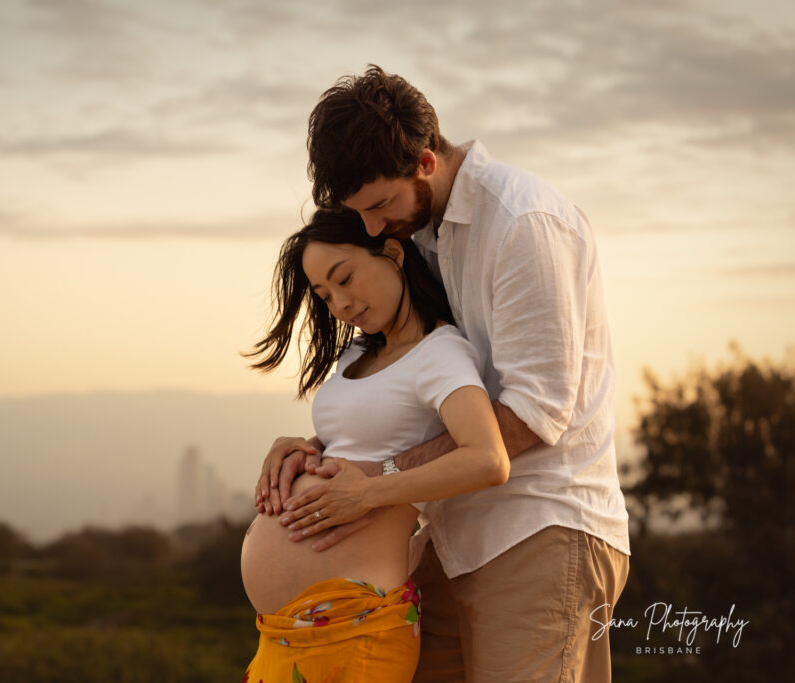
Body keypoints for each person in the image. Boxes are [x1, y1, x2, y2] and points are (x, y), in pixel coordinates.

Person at [257, 65, 631, 682]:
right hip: (449, 538)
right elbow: (410, 386)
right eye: (361, 214)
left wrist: (375, 478)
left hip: (540, 529)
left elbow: (535, 415)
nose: (373, 227)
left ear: (426, 160)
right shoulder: (419, 233)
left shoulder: (523, 224)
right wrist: (314, 451)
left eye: (380, 205)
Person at [240, 208, 509, 682]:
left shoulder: (439, 353)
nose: (340, 304)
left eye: (345, 279)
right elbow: (355, 441)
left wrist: (368, 493)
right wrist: (300, 447)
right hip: (280, 633)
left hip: (357, 630)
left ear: (390, 252)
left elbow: (487, 458)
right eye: (324, 296)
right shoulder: (356, 355)